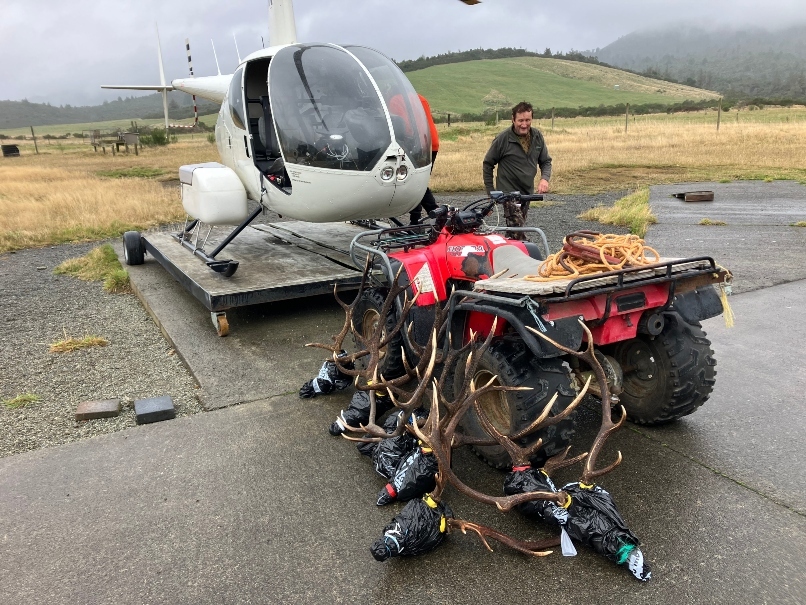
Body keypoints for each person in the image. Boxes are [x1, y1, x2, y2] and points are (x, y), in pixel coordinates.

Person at [482, 101, 551, 238]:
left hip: (526, 192)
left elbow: (546, 161)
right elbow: (488, 164)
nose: (524, 124)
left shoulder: (537, 137)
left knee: (514, 231)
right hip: (508, 193)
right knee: (517, 229)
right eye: (520, 121)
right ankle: (526, 250)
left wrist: (544, 179)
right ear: (513, 120)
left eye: (527, 120)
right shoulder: (503, 139)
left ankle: (506, 249)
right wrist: (491, 193)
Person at [408, 94, 439, 225]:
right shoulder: (420, 98)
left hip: (416, 144)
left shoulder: (395, 99)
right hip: (431, 142)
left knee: (412, 182)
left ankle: (417, 220)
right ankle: (435, 214)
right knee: (419, 182)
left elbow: (402, 125)